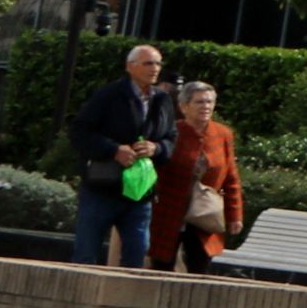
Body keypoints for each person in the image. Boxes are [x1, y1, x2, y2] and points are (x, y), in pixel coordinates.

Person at [68, 45, 172, 270]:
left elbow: (171, 139)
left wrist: (156, 148)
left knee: (136, 253)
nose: (155, 69)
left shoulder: (162, 99)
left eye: (158, 63)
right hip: (103, 188)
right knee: (86, 254)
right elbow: (80, 132)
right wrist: (114, 150)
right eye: (148, 63)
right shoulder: (110, 95)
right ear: (130, 67)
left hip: (139, 191)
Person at [150, 78, 245, 274]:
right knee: (161, 265)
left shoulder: (222, 134)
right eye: (199, 102)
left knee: (200, 263)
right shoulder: (171, 131)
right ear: (184, 106)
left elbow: (231, 178)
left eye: (210, 102)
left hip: (204, 213)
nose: (206, 106)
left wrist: (234, 215)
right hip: (169, 212)